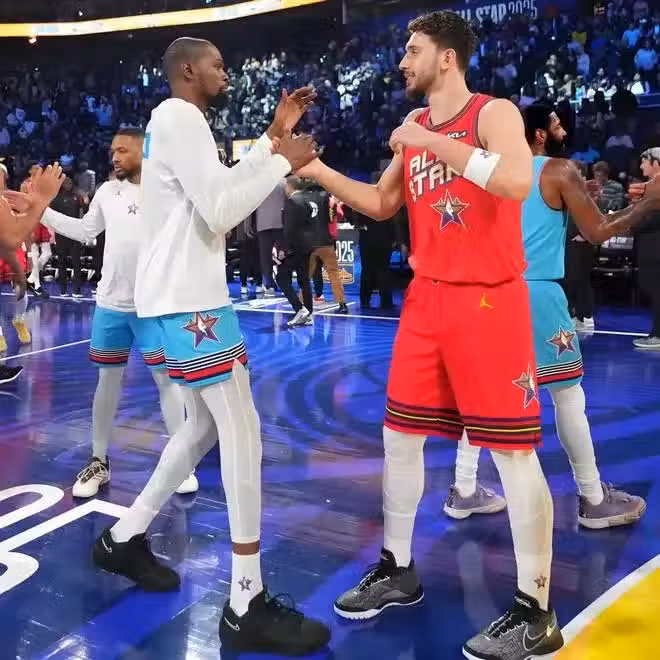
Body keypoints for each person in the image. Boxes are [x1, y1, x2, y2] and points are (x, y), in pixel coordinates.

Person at [299, 12, 562, 659]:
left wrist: (430, 142)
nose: (402, 61)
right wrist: (317, 169)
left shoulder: (491, 112)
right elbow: (382, 203)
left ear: (447, 57)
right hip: (426, 300)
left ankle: (536, 611)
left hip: (489, 300)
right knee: (399, 436)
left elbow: (515, 180)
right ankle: (398, 567)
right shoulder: (414, 126)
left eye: (413, 50)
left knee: (513, 452)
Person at [90, 37, 329, 656]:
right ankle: (246, 599)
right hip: (189, 299)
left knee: (200, 429)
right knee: (241, 428)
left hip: (184, 297)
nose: (227, 72)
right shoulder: (179, 116)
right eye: (218, 64)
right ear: (188, 70)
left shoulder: (179, 122)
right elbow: (222, 209)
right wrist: (282, 164)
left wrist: (273, 137)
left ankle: (124, 537)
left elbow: (219, 187)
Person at [444, 103, 650, 531]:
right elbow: (597, 231)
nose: (562, 130)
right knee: (568, 395)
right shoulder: (557, 169)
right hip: (536, 292)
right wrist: (651, 202)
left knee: (483, 394)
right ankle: (593, 497)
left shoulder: (486, 171)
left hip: (485, 295)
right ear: (538, 134)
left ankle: (463, 488)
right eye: (555, 124)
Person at [39, 127, 198, 498]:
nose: (115, 157)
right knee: (107, 382)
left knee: (167, 382)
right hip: (111, 304)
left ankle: (180, 463)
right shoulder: (107, 192)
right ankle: (99, 460)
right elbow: (85, 231)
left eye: (123, 150)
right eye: (113, 151)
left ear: (144, 152)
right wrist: (40, 212)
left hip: (153, 305)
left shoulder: (168, 192)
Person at [0, 163, 65, 384]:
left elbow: (8, 239)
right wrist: (41, 201)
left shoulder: (7, 200)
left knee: (20, 291)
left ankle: (18, 320)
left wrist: (20, 265)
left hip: (11, 250)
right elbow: (10, 238)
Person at [276, 175, 315, 326]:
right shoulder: (307, 201)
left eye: (286, 186)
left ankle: (299, 309)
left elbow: (289, 228)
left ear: (290, 186)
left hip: (294, 248)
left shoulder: (292, 202)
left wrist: (284, 249)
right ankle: (308, 314)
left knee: (281, 278)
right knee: (304, 280)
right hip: (307, 246)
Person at [631, 148, 660, 349]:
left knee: (656, 291)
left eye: (644, 162)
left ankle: (658, 335)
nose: (641, 166)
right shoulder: (650, 187)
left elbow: (653, 218)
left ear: (656, 163)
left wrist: (633, 220)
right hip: (650, 247)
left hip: (656, 249)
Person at [307, 185, 348, 313]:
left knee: (307, 275)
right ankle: (342, 304)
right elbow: (337, 217)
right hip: (328, 242)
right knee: (334, 273)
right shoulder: (331, 201)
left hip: (312, 243)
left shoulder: (308, 202)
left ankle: (301, 304)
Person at [51, 176, 84, 298]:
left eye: (70, 182)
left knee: (77, 263)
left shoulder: (77, 197)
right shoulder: (56, 199)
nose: (68, 184)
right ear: (62, 184)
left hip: (75, 234)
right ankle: (63, 290)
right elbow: (53, 217)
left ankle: (77, 290)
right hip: (61, 234)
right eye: (66, 183)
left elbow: (82, 214)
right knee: (62, 262)